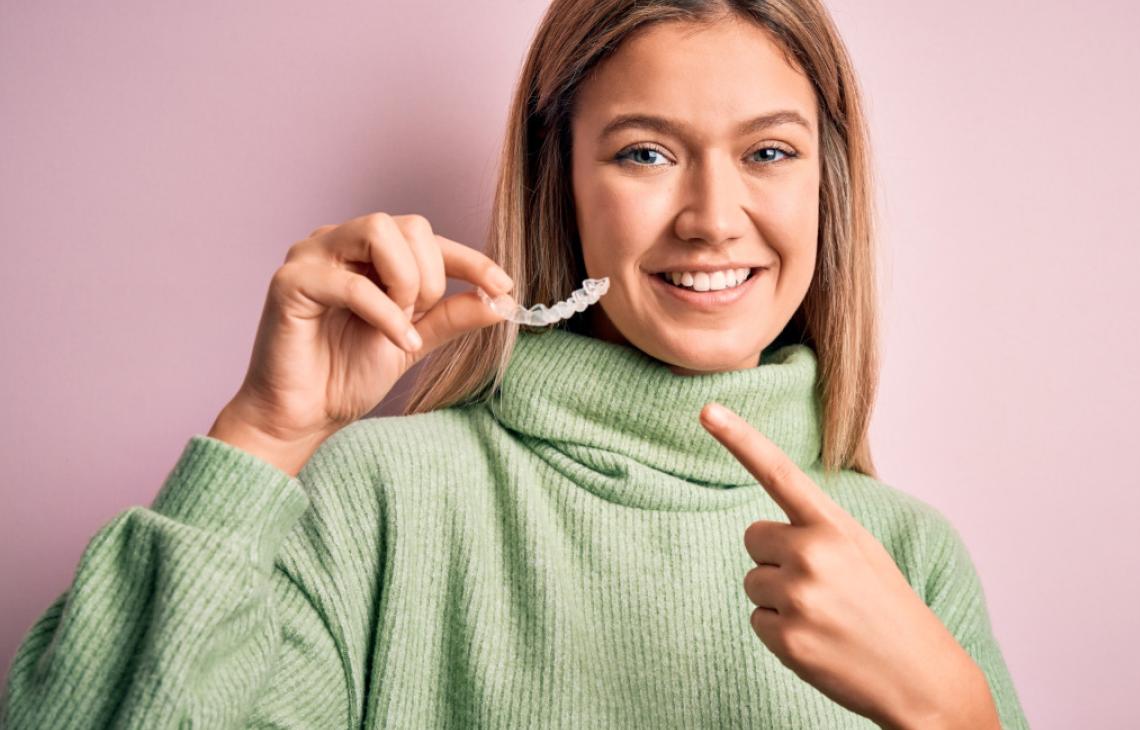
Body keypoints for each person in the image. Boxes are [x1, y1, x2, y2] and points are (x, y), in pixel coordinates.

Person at [2, 0, 1029, 727]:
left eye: (768, 152)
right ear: (563, 185)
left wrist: (951, 716)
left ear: (824, 185)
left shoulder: (908, 554)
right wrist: (265, 435)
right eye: (645, 153)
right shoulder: (380, 501)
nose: (716, 219)